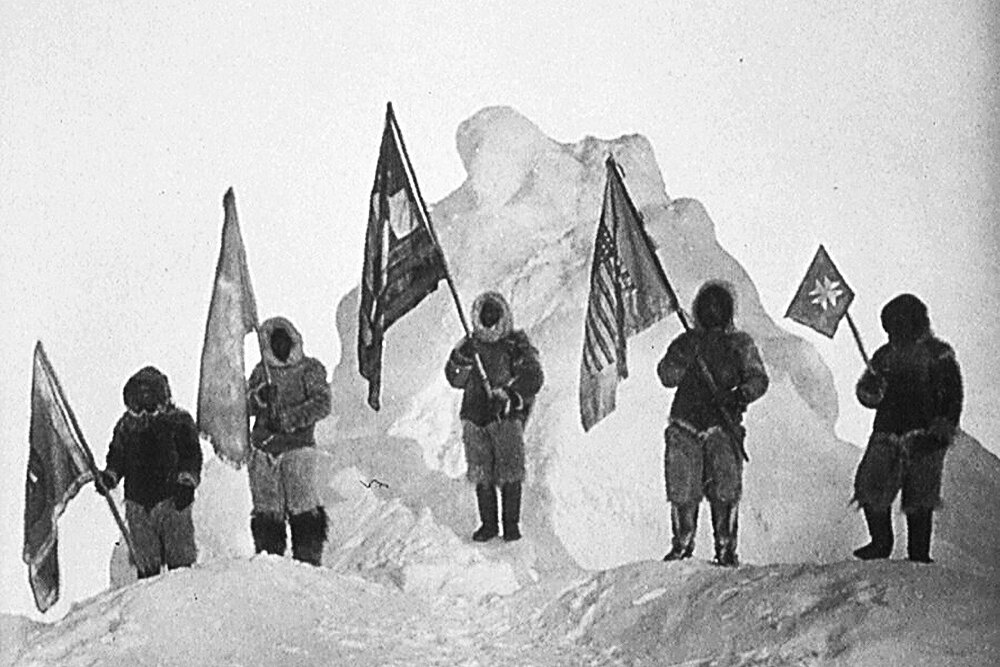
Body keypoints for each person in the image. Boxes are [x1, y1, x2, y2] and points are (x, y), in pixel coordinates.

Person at [657, 281, 769, 567]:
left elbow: (758, 379)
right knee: (683, 488)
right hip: (686, 423)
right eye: (708, 307)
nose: (712, 311)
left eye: (718, 307)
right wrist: (683, 355)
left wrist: (737, 395)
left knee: (725, 488)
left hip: (722, 424)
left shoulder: (740, 344)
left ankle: (726, 546)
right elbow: (667, 375)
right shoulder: (687, 342)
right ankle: (682, 543)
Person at [852, 293, 963, 563]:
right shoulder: (884, 356)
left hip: (925, 435)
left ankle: (919, 553)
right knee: (870, 484)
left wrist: (942, 428)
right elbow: (868, 392)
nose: (892, 331)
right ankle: (881, 541)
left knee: (920, 497)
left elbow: (952, 395)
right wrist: (871, 390)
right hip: (887, 432)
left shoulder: (938, 355)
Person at [445, 291, 544, 542]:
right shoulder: (470, 344)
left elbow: (533, 377)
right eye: (485, 314)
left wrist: (510, 396)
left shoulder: (515, 344)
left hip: (505, 418)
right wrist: (462, 358)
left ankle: (511, 525)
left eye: (493, 314)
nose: (489, 319)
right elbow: (455, 379)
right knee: (482, 473)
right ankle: (488, 524)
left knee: (510, 472)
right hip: (475, 417)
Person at [96, 366, 203, 579]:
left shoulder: (179, 421)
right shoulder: (126, 427)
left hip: (172, 499)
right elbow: (117, 456)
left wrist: (187, 482)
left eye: (149, 398)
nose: (144, 407)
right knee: (146, 564)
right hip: (138, 504)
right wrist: (109, 477)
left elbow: (191, 455)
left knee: (180, 562)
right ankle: (148, 600)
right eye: (139, 400)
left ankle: (183, 598)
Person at [246, 316, 332, 565]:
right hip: (264, 450)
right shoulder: (262, 372)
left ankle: (308, 559)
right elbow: (245, 405)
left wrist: (289, 419)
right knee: (266, 509)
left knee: (303, 506)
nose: (280, 347)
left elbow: (322, 403)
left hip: (298, 448)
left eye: (285, 341)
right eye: (275, 342)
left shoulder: (310, 369)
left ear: (294, 340)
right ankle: (269, 560)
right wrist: (259, 397)